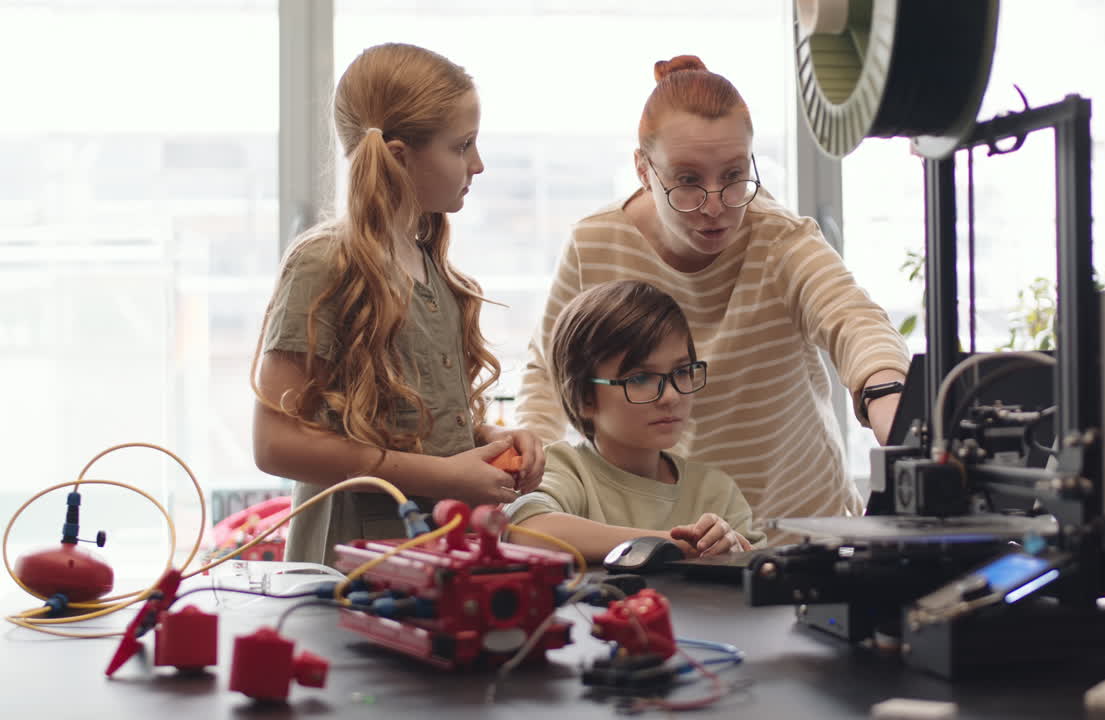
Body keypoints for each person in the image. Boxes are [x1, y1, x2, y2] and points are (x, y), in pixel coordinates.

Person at [516, 55, 908, 530]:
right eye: (688, 181)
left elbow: (855, 322)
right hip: (681, 526)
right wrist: (530, 470)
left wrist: (892, 407)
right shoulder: (596, 242)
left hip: (798, 521)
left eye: (734, 175)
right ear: (643, 169)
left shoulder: (781, 239)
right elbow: (549, 372)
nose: (716, 205)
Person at [250, 43, 545, 566]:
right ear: (400, 156)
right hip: (351, 567)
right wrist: (444, 476)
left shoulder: (429, 263)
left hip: (435, 557)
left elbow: (412, 424)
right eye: (462, 146)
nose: (478, 164)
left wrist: (488, 439)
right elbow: (275, 444)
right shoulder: (325, 264)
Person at [505, 280, 765, 562]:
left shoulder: (715, 491)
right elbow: (526, 530)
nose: (671, 396)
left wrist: (732, 554)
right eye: (640, 378)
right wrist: (674, 545)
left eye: (681, 372)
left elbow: (762, 570)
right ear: (584, 397)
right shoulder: (566, 469)